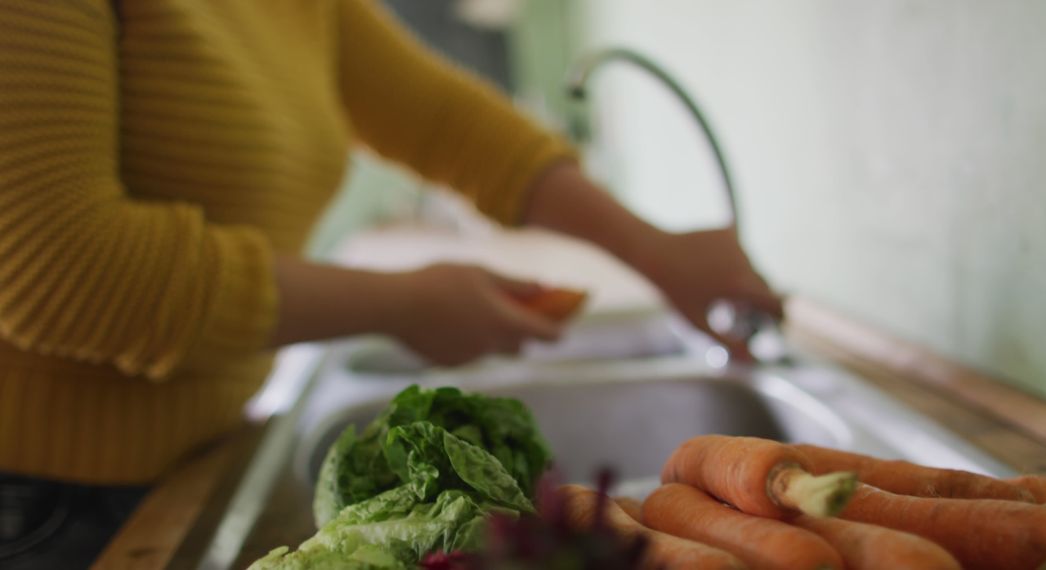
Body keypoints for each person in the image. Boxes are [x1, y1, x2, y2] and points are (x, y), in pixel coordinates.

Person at [0, 0, 781, 566]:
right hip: (41, 509)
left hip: (188, 458)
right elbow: (56, 268)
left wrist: (657, 251)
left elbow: (447, 123)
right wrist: (400, 304)